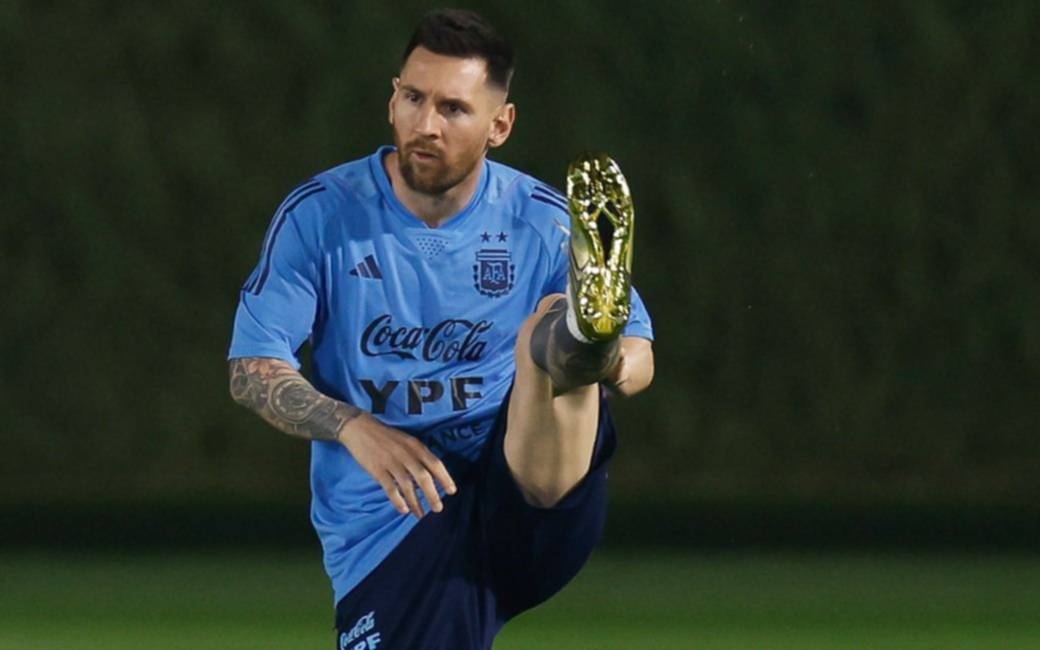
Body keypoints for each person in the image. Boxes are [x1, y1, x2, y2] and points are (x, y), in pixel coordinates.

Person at [228, 8, 654, 649]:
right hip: (394, 520)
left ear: (499, 125)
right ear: (392, 100)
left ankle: (580, 344)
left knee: (547, 333)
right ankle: (574, 343)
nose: (425, 124)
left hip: (526, 492)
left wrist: (613, 360)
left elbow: (642, 358)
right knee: (549, 333)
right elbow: (251, 370)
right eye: (413, 98)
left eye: (453, 108)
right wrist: (354, 426)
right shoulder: (322, 216)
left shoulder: (541, 222)